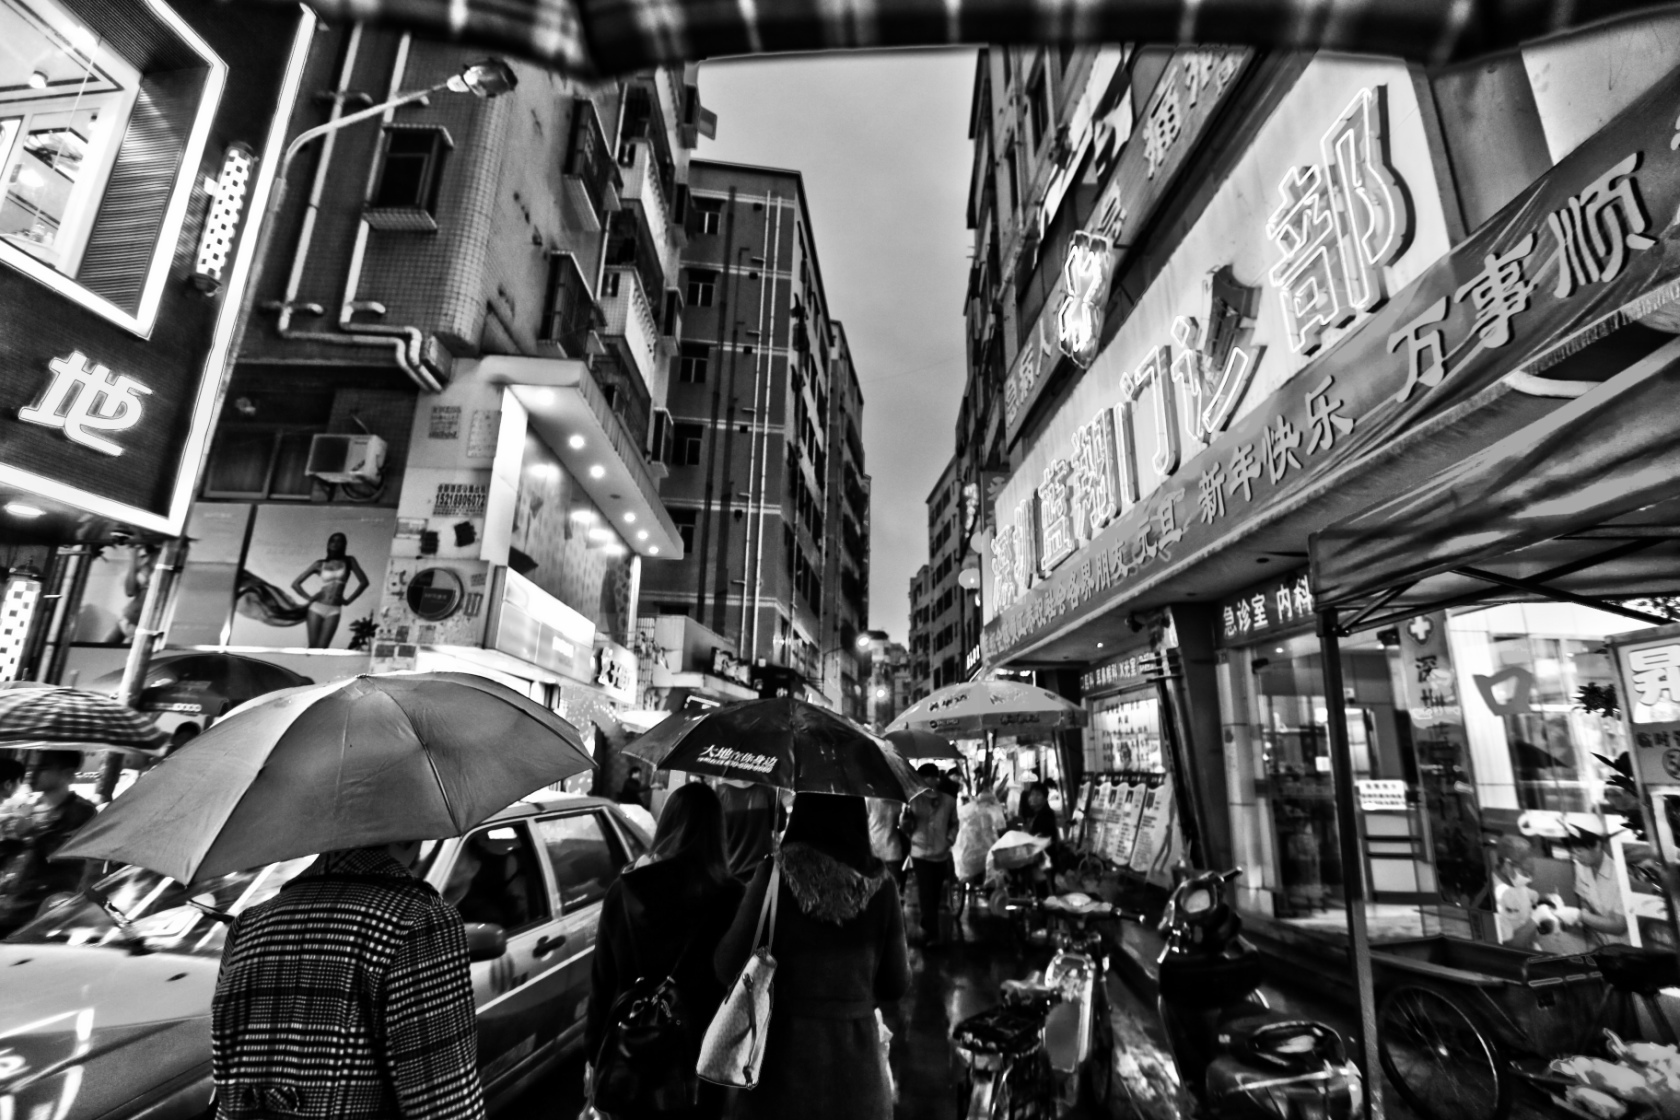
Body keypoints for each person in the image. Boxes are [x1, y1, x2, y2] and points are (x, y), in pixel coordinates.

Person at [211, 841, 485, 1120]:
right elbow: (445, 1099)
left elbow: (229, 1078)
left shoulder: (248, 924)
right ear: (411, 835)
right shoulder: (420, 920)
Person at [715, 793, 911, 1120]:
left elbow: (727, 966)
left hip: (778, 1067)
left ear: (802, 812)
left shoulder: (773, 876)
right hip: (856, 1071)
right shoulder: (882, 886)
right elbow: (896, 984)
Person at [586, 784, 744, 1119]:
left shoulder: (623, 892)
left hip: (628, 1060)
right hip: (698, 1069)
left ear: (665, 824)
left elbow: (602, 984)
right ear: (718, 834)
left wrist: (592, 1055)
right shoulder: (731, 899)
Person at [0, 750, 97, 936]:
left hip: (40, 914)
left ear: (67, 774)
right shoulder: (26, 807)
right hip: (7, 906)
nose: (33, 773)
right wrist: (7, 838)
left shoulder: (82, 811)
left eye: (43, 768)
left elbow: (68, 855)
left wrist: (31, 832)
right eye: (31, 767)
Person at [903, 763, 958, 948]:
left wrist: (949, 840)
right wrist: (906, 819)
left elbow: (954, 824)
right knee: (926, 892)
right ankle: (933, 933)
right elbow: (905, 828)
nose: (930, 781)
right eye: (926, 778)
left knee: (935, 893)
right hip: (920, 853)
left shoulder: (949, 801)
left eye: (933, 777)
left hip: (941, 853)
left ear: (937, 779)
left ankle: (927, 923)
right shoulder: (913, 800)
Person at [291, 532, 369, 649]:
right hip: (316, 608)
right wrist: (310, 598)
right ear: (328, 544)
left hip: (334, 609)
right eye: (332, 541)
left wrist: (348, 601)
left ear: (344, 545)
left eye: (339, 541)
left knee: (323, 647)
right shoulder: (319, 564)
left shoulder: (349, 561)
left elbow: (364, 582)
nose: (335, 543)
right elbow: (296, 584)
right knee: (313, 647)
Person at [1560, 820, 1631, 948]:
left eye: (1579, 851)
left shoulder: (1620, 875)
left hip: (1621, 945)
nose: (1576, 857)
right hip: (1597, 940)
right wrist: (1585, 910)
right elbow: (1583, 896)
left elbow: (1619, 926)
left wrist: (1581, 916)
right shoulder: (1581, 866)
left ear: (1597, 846)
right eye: (1573, 852)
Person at [717, 778, 780, 882]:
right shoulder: (766, 790)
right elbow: (780, 824)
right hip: (762, 871)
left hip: (732, 871)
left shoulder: (719, 793)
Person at [1491, 834, 1541, 950]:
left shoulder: (1513, 880)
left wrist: (1544, 898)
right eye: (1525, 873)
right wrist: (1535, 919)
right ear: (1507, 865)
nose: (1529, 879)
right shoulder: (1495, 898)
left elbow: (1523, 893)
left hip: (1530, 943)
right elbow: (1509, 947)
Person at [953, 781, 1007, 887]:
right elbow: (988, 834)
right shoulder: (984, 813)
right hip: (978, 856)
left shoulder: (969, 811)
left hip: (967, 857)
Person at [866, 797, 906, 891]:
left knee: (880, 890)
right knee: (893, 890)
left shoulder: (869, 800)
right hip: (888, 851)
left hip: (881, 851)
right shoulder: (898, 802)